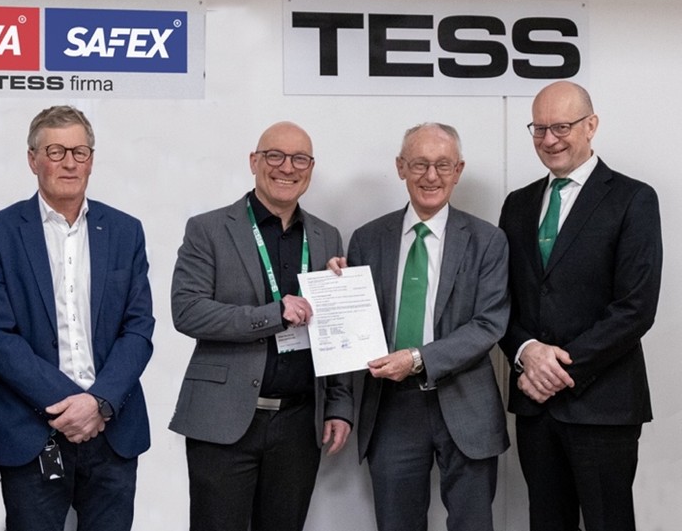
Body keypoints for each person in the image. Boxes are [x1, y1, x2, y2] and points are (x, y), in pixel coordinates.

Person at [0, 105, 154, 531]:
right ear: (32, 159)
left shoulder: (126, 231)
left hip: (112, 429)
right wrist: (73, 404)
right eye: (55, 151)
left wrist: (99, 402)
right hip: (32, 430)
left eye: (79, 151)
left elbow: (138, 328)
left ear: (91, 160)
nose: (69, 162)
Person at [169, 121, 354, 531]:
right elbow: (188, 311)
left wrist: (340, 405)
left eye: (299, 159)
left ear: (310, 168)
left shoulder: (327, 236)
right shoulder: (208, 229)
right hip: (223, 420)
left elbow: (336, 329)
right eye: (275, 156)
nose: (287, 167)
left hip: (298, 423)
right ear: (254, 161)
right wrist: (273, 314)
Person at [328, 122, 510, 531]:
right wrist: (335, 288)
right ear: (400, 167)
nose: (431, 176)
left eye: (443, 165)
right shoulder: (367, 239)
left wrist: (417, 358)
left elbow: (488, 324)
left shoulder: (488, 240)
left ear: (458, 170)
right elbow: (355, 322)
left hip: (467, 403)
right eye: (420, 164)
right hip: (392, 406)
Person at [499, 81, 662, 531]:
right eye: (539, 128)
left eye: (562, 127)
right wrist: (527, 351)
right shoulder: (517, 204)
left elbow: (636, 307)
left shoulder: (633, 198)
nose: (549, 139)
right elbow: (502, 300)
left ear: (591, 126)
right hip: (536, 410)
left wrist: (556, 370)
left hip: (603, 405)